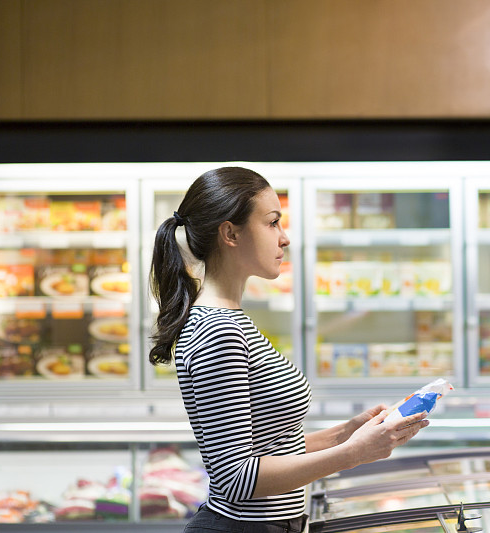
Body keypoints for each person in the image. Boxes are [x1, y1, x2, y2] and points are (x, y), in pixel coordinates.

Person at [148, 166, 428, 533]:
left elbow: (269, 448)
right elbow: (236, 478)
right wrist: (353, 453)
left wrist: (345, 433)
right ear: (230, 233)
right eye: (272, 223)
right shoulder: (219, 330)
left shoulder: (230, 319)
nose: (285, 238)